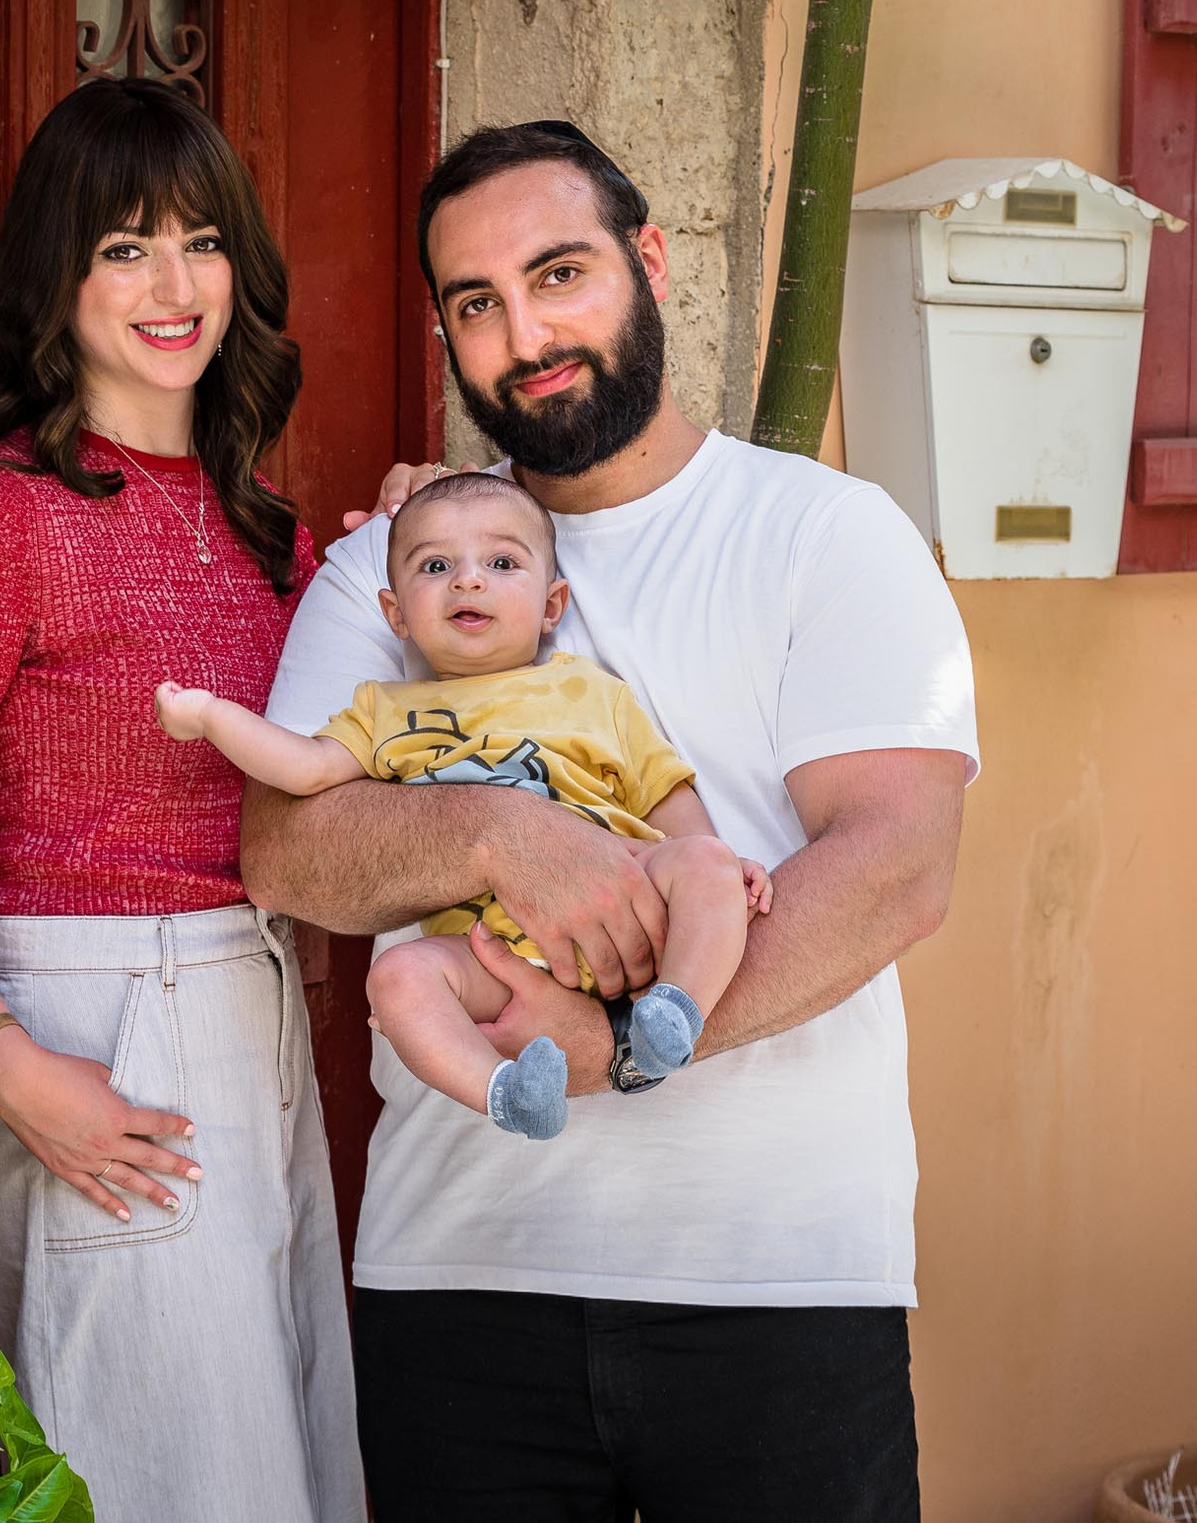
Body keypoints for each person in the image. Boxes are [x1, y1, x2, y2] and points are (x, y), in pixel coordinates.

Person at [245, 120, 978, 1523]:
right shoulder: (395, 570)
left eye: (560, 272)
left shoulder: (826, 534)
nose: (526, 332)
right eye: (478, 302)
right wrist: (497, 837)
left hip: (777, 1282)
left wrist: (616, 1054)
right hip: (461, 1276)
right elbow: (288, 850)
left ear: (647, 261)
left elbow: (894, 869)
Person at [0, 77, 360, 1523]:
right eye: (124, 247)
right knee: (154, 1482)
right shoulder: (0, 517)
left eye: (199, 240)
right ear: (57, 275)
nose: (172, 283)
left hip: (256, 1019)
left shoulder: (269, 530)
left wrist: (419, 566)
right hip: (87, 1027)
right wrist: (5, 1066)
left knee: (277, 1468)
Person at [153, 470, 771, 1141]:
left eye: (502, 562)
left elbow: (665, 795)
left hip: (631, 904)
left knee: (709, 862)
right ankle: (507, 1093)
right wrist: (214, 716)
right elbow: (303, 771)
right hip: (490, 956)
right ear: (397, 614)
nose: (468, 580)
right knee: (397, 980)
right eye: (436, 565)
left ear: (551, 604)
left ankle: (674, 1011)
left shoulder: (592, 693)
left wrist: (719, 865)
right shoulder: (385, 711)